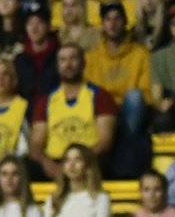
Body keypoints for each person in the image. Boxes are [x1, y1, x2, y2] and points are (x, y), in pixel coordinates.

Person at [84, 0, 152, 178]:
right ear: (102, 24)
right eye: (108, 19)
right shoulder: (91, 58)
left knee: (135, 96)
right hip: (102, 114)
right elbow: (87, 93)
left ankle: (124, 152)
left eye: (117, 18)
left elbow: (147, 92)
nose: (112, 24)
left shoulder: (141, 54)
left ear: (125, 22)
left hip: (128, 113)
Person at [29, 44, 117, 181]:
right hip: (55, 161)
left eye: (73, 59)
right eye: (63, 60)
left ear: (83, 63)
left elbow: (105, 141)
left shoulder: (100, 96)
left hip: (88, 159)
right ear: (57, 65)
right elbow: (35, 144)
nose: (68, 64)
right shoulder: (45, 101)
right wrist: (47, 163)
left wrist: (77, 162)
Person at [151, 4, 175, 133]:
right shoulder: (159, 57)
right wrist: (161, 104)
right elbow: (156, 95)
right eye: (174, 24)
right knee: (161, 120)